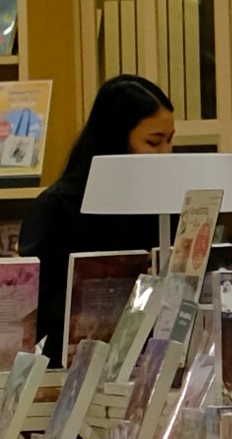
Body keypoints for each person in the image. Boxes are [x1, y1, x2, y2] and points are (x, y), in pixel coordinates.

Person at [33, 71, 174, 345]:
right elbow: (37, 307)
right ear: (116, 140)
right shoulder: (56, 209)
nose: (166, 154)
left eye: (170, 140)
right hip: (74, 365)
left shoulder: (166, 206)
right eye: (154, 142)